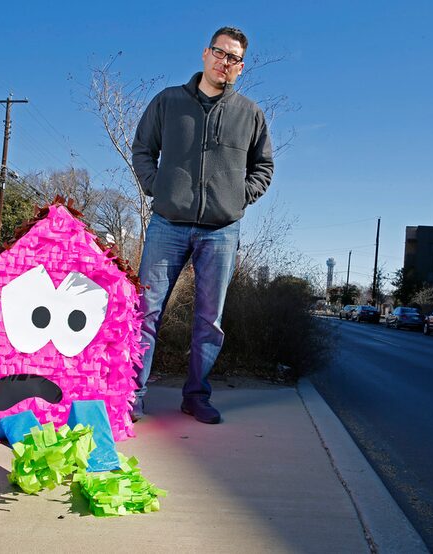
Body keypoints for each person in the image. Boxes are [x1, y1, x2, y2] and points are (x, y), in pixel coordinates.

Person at [130, 26, 274, 424]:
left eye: (233, 58)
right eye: (219, 52)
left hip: (222, 230)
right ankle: (131, 396)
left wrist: (237, 197)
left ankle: (196, 396)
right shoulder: (168, 102)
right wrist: (157, 188)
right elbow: (143, 149)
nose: (224, 62)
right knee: (145, 310)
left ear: (240, 67)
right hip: (167, 224)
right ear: (204, 53)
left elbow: (264, 167)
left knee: (209, 320)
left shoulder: (250, 114)